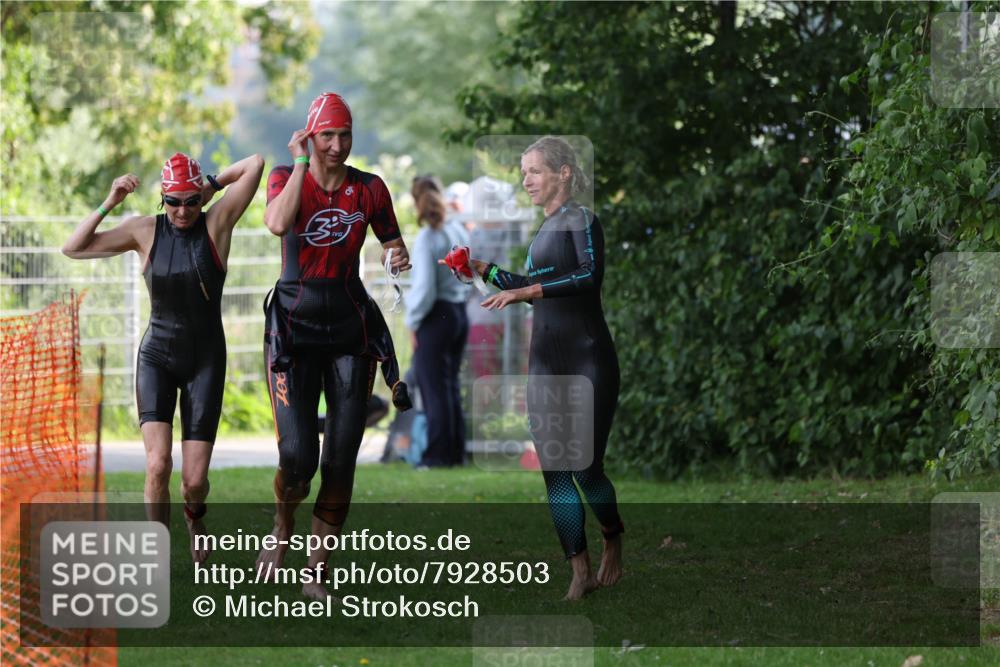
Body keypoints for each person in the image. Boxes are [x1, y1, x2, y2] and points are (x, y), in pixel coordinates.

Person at [62, 151, 264, 563]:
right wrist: (110, 202)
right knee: (157, 465)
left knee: (193, 481)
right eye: (173, 201)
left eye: (191, 200)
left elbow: (256, 163)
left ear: (201, 198)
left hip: (205, 359)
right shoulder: (144, 232)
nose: (183, 210)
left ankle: (194, 517)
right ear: (162, 199)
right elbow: (74, 248)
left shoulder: (217, 223)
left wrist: (212, 184)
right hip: (157, 356)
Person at [256, 92, 411, 600]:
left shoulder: (369, 189)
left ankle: (316, 570)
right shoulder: (285, 176)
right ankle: (283, 526)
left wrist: (396, 258)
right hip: (293, 330)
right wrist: (302, 162)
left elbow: (392, 242)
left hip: (349, 329)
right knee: (298, 458)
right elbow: (278, 223)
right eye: (328, 136)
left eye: (345, 135)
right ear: (310, 136)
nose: (338, 145)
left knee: (340, 458)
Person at [456, 136, 624, 599]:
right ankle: (580, 569)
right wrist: (482, 269)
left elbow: (588, 277)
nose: (525, 179)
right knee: (554, 469)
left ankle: (612, 535)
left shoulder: (583, 222)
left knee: (586, 468)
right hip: (546, 362)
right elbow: (532, 284)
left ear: (563, 173)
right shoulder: (544, 230)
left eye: (534, 170)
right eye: (524, 171)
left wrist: (523, 293)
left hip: (588, 358)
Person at [405, 181, 471, 467]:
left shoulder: (427, 237)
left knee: (433, 388)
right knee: (450, 386)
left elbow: (424, 288)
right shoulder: (456, 230)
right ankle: (455, 452)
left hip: (435, 316)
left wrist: (412, 321)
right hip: (458, 312)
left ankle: (437, 456)